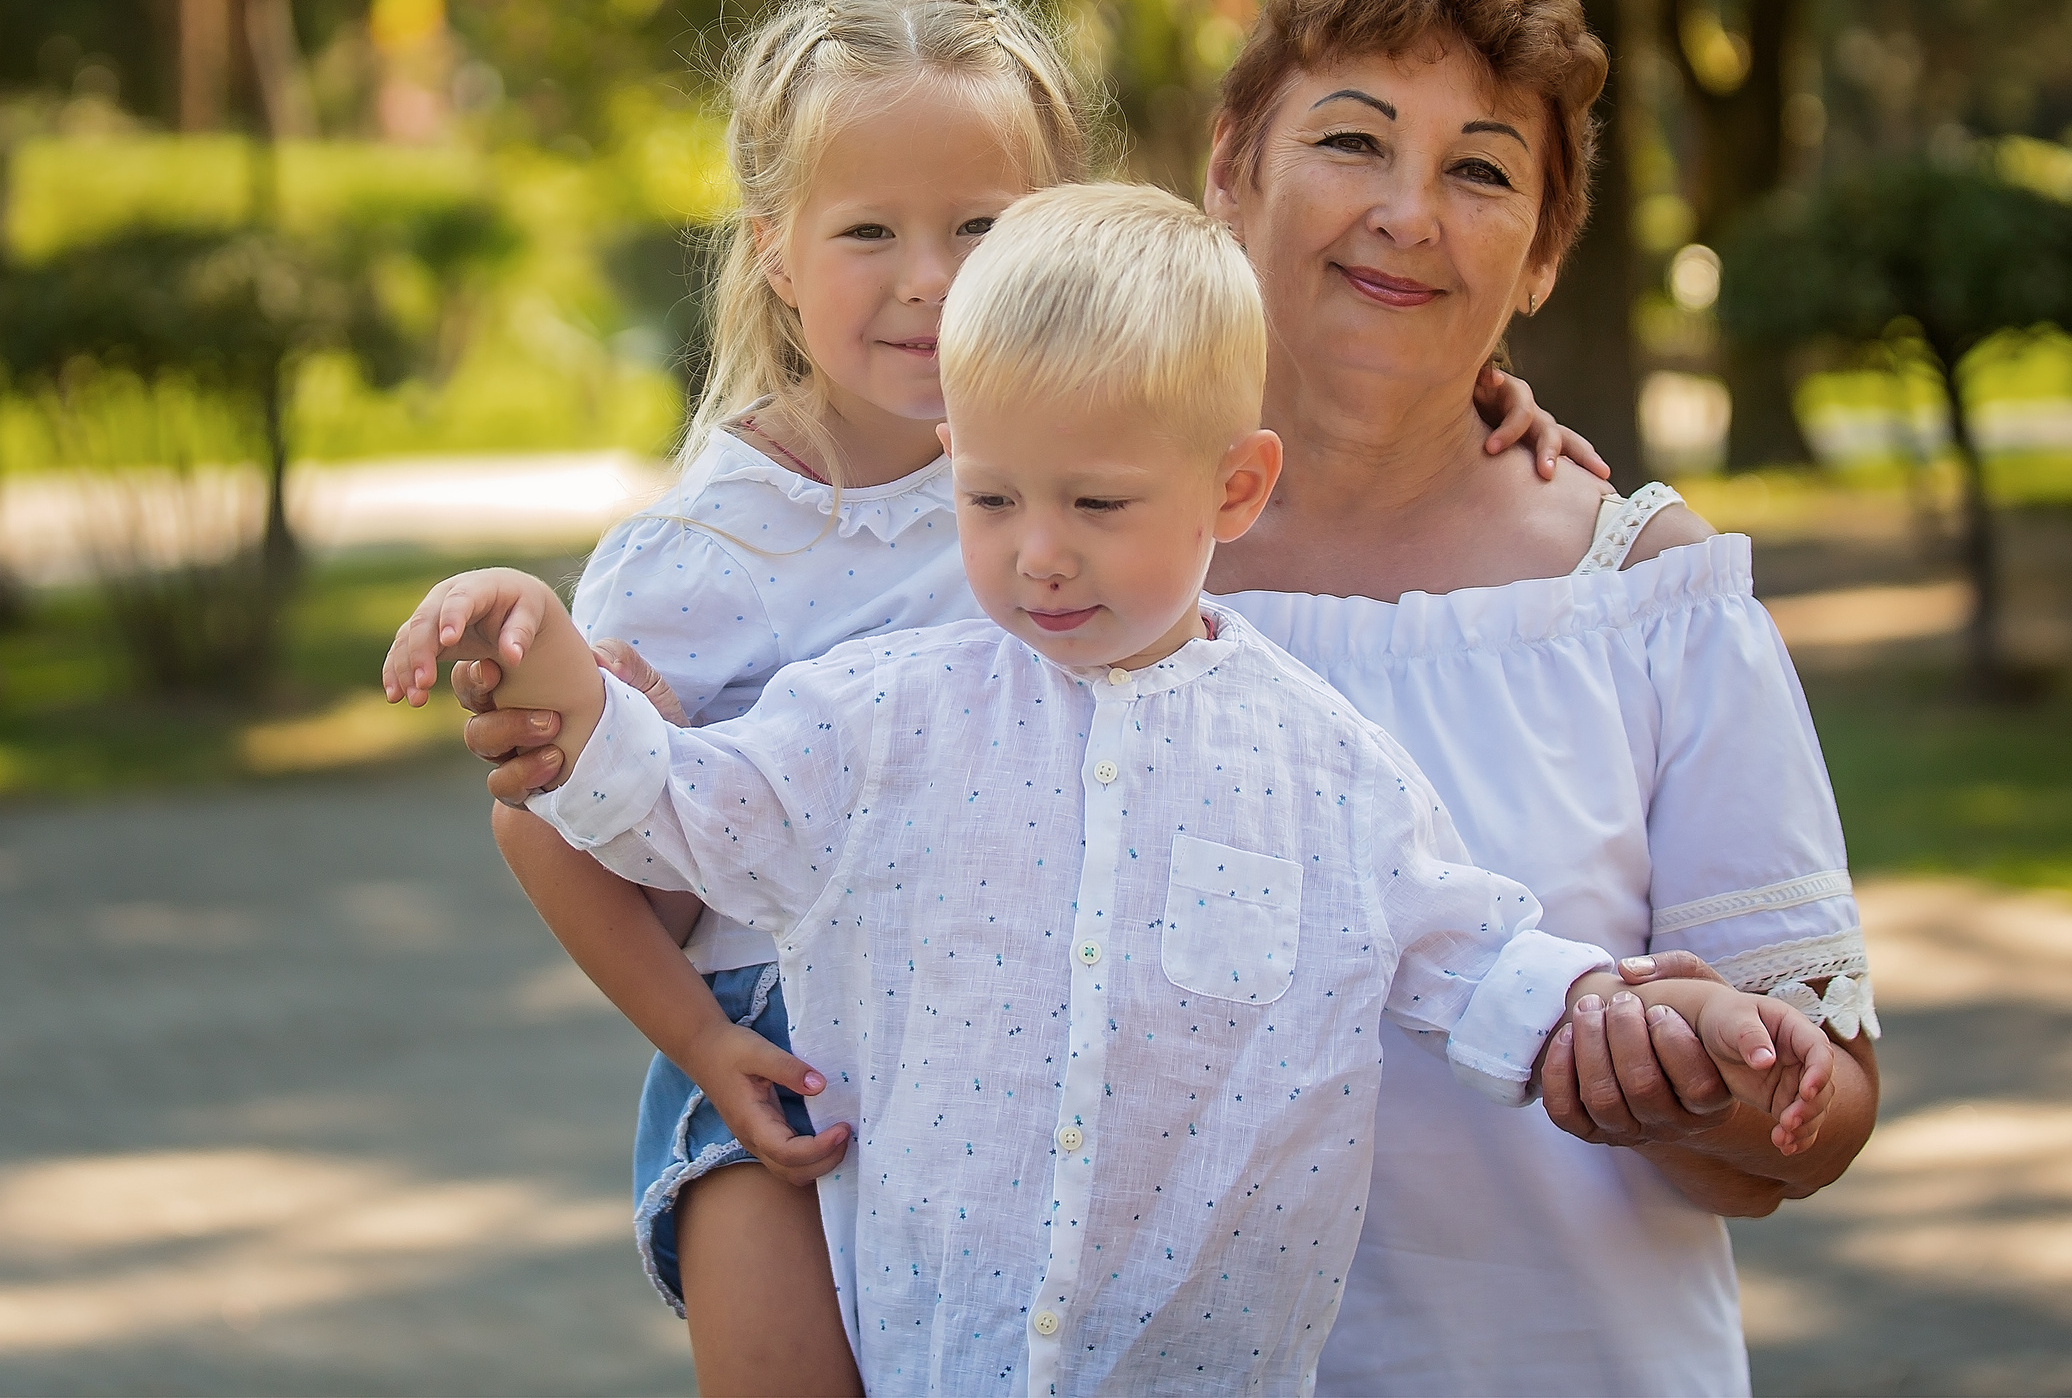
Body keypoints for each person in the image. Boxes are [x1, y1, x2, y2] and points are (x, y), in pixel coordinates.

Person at [385, 183, 1838, 1397]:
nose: (1039, 557)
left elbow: (1474, 958)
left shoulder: (1320, 762)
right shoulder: (879, 715)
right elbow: (685, 809)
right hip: (936, 1359)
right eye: (994, 499)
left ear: (1235, 488)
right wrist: (564, 681)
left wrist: (1633, 1011)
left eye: (1097, 505)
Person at [455, 0, 1594, 1395]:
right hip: (767, 1038)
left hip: (1006, 1017)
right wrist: (696, 1039)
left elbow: (1238, 412)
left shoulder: (1063, 458)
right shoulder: (701, 549)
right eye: (869, 230)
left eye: (979, 230)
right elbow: (557, 809)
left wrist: (1484, 400)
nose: (930, 277)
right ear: (774, 253)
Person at [1200, 0, 1883, 1396]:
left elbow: (1818, 1113)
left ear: (1545, 254)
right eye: (1352, 141)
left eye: (1482, 171)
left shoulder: (1643, 597)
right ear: (1230, 171)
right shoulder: (1072, 566)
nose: (1409, 212)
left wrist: (1701, 1076)